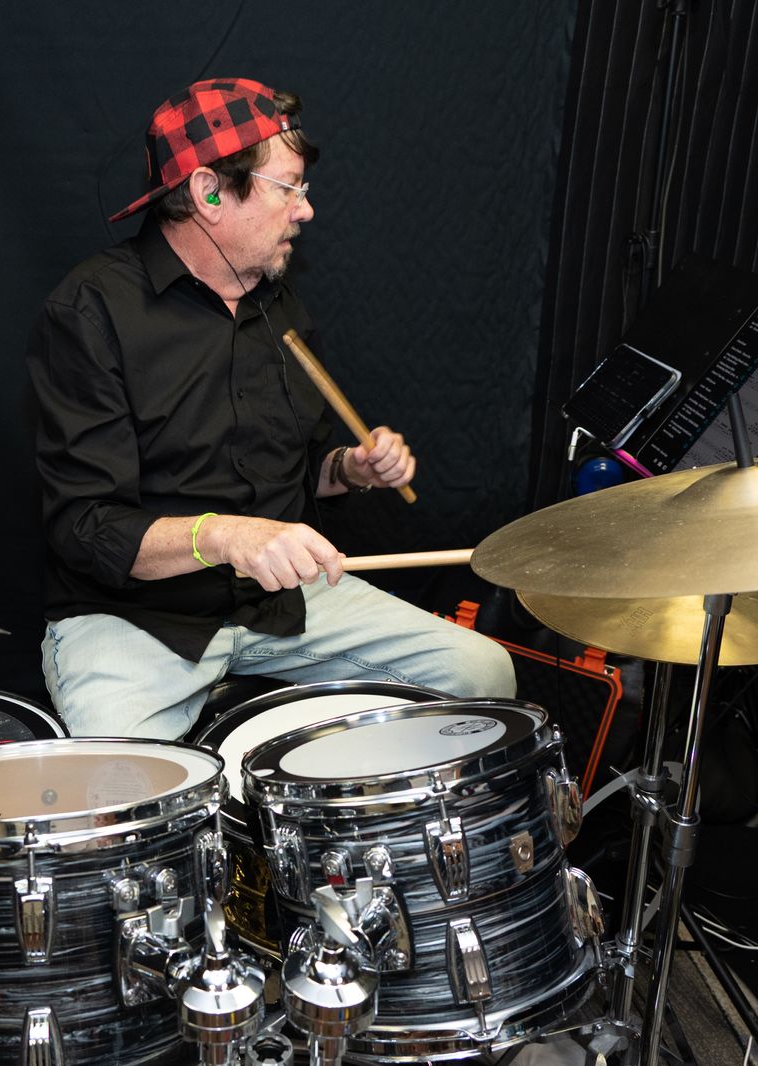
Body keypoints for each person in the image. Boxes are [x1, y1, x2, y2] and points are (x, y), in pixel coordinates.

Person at [25, 77, 515, 738]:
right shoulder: (92, 312)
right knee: (125, 779)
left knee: (480, 676)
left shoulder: (278, 304)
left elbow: (300, 463)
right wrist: (226, 535)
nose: (305, 210)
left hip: (279, 601)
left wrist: (349, 468)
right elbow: (87, 527)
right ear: (209, 192)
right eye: (289, 188)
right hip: (136, 617)